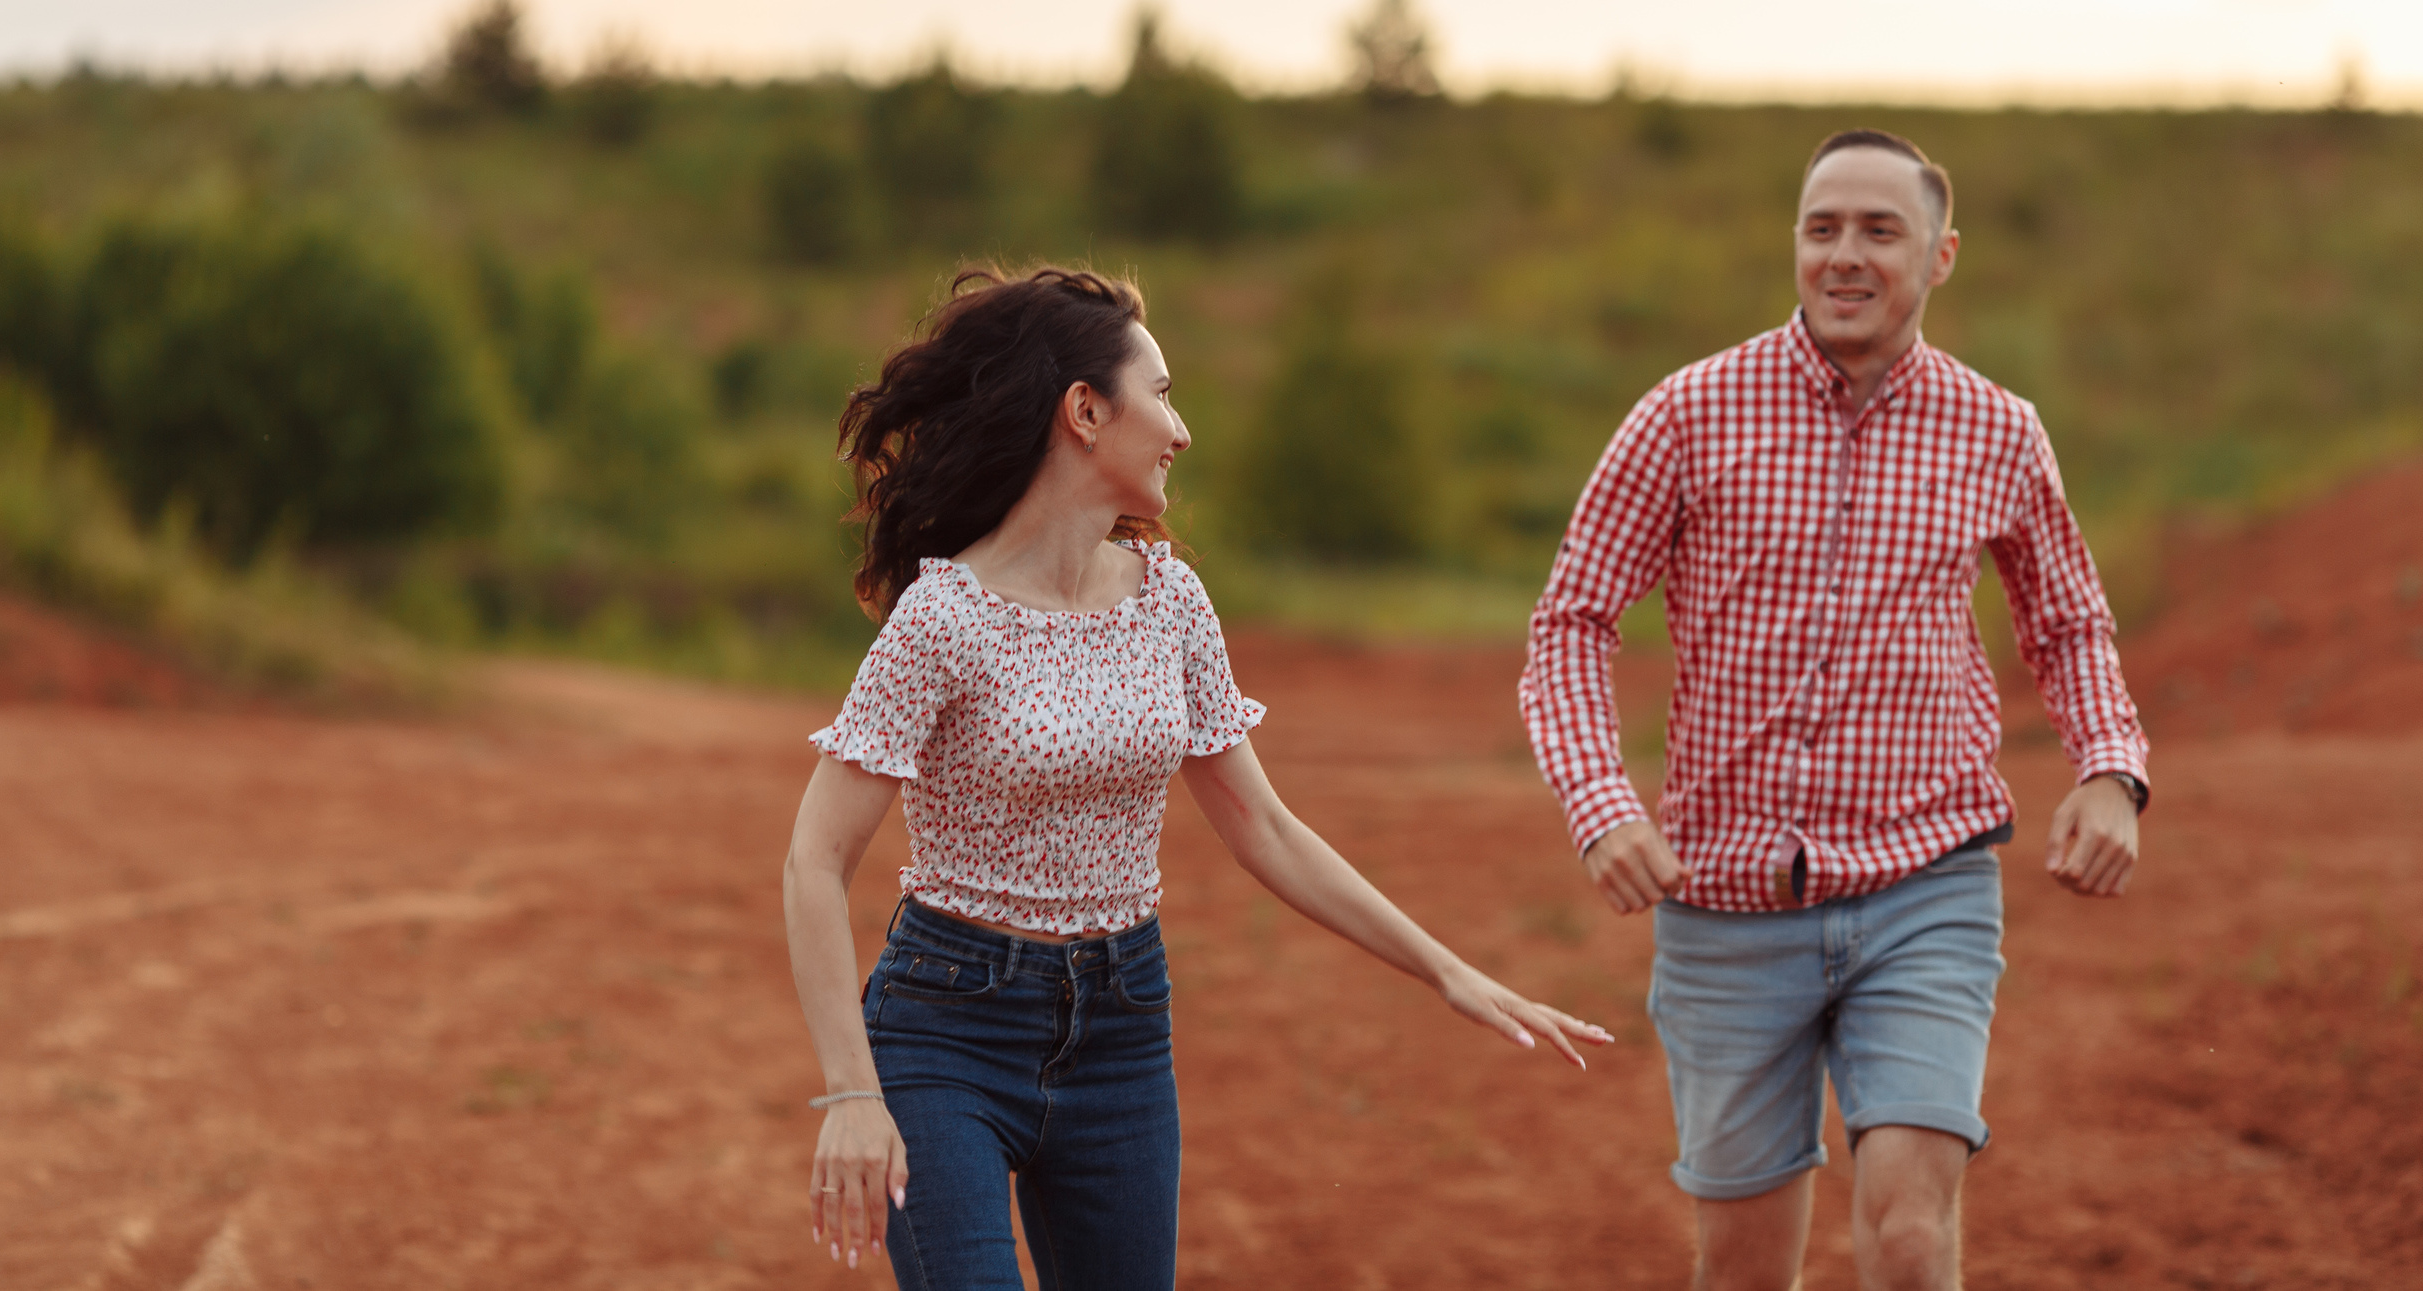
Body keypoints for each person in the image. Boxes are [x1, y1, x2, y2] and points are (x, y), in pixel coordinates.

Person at [784, 265, 1612, 1290]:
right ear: (1085, 412)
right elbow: (816, 861)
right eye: (1162, 394)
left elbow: (1261, 825)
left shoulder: (1171, 601)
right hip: (946, 1028)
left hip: (1121, 1026)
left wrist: (1447, 969)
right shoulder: (944, 619)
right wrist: (851, 1096)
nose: (1181, 430)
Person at [1520, 132, 2150, 1291]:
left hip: (1926, 881)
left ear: (1940, 255)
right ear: (1795, 245)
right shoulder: (1685, 413)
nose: (1845, 256)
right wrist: (1601, 803)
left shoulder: (1998, 430)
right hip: (1723, 901)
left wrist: (2109, 767)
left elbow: (2066, 624)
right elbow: (1571, 620)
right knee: (1746, 1268)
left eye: (1878, 230)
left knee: (1910, 1239)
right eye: (1822, 230)